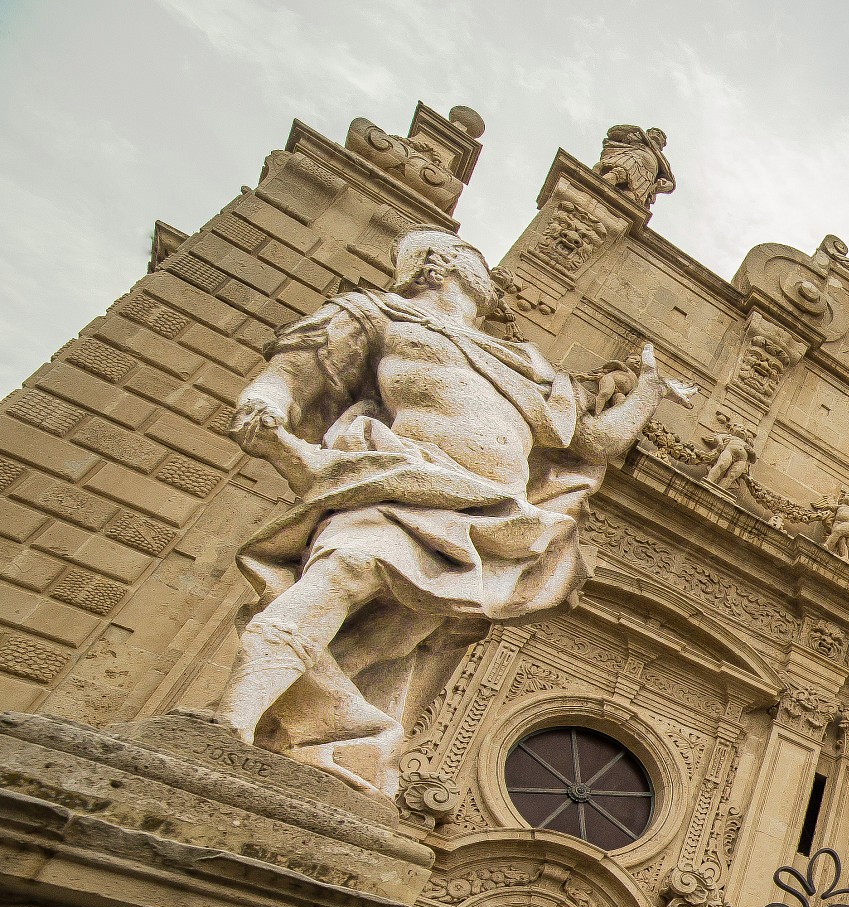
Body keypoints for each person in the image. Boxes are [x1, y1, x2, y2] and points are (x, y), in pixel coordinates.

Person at [216, 229, 668, 795]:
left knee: (381, 647)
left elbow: (595, 442)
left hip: (494, 517)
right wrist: (265, 406)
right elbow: (291, 374)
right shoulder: (378, 314)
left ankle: (317, 744)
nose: (494, 282)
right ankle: (226, 725)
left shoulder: (524, 364)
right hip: (406, 477)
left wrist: (649, 389)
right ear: (438, 262)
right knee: (347, 569)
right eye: (477, 260)